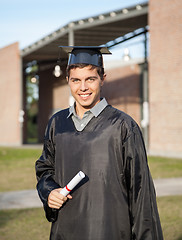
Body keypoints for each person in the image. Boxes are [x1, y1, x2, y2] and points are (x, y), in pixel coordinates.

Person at [35, 46, 163, 240]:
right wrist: (49, 191)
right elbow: (45, 169)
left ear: (102, 79)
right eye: (76, 80)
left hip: (110, 230)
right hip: (65, 230)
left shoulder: (122, 126)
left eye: (90, 79)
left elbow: (141, 191)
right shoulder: (57, 123)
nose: (83, 87)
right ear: (67, 80)